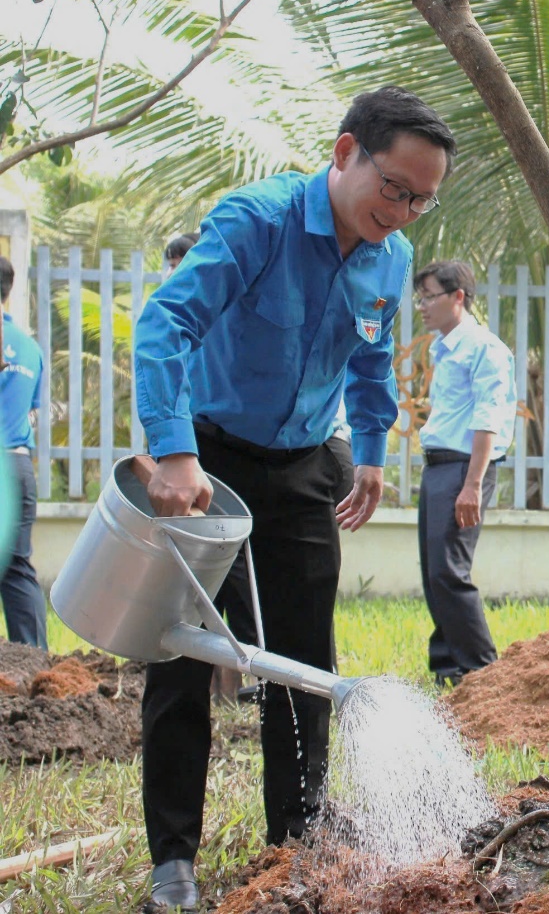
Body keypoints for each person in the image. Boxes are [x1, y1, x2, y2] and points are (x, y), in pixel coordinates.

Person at [132, 85, 456, 912]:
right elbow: (164, 326)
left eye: (422, 199)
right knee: (183, 655)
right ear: (346, 153)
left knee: (306, 665)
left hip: (310, 463)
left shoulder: (387, 257)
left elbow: (372, 358)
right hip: (208, 461)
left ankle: (298, 841)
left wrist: (374, 451)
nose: (404, 211)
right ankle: (174, 863)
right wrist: (173, 452)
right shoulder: (256, 222)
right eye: (395, 188)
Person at [412, 260, 516, 687]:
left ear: (458, 297)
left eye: (429, 297)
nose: (421, 307)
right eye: (419, 298)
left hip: (464, 469)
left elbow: (488, 418)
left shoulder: (484, 348)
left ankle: (482, 672)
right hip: (440, 468)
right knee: (433, 571)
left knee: (449, 571)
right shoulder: (444, 346)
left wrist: (472, 484)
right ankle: (448, 666)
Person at [0, 256, 46, 649]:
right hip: (18, 464)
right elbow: (30, 408)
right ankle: (36, 662)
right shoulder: (31, 348)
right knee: (17, 570)